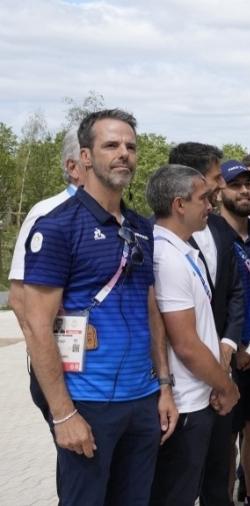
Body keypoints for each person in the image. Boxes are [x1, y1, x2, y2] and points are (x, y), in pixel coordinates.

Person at [22, 109, 177, 504]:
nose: (123, 153)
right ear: (86, 157)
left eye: (130, 146)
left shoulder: (142, 227)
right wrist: (62, 414)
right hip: (86, 403)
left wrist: (163, 387)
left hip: (142, 401)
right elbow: (37, 326)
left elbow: (150, 309)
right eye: (111, 145)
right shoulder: (57, 226)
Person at [147, 164, 240, 506]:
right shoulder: (165, 257)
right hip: (184, 404)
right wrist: (226, 386)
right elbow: (185, 344)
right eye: (203, 198)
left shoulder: (184, 251)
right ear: (179, 205)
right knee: (176, 494)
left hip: (199, 396)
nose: (211, 206)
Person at [168, 144, 246, 506]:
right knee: (179, 483)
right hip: (182, 386)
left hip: (220, 369)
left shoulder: (220, 229)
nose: (219, 186)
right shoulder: (154, 241)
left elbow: (233, 293)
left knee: (219, 472)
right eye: (215, 177)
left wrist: (227, 346)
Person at [217, 160, 250, 506]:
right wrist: (233, 348)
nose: (246, 190)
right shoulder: (209, 235)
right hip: (225, 353)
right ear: (219, 191)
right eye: (237, 185)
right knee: (225, 436)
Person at [8, 127, 83, 332]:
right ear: (73, 167)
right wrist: (46, 355)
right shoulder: (45, 213)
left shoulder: (124, 219)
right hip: (62, 358)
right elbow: (18, 298)